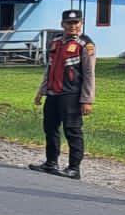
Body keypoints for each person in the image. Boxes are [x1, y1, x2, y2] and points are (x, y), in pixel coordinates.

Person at [28, 9, 96, 179]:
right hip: (53, 93)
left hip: (71, 94)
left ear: (81, 24)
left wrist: (87, 100)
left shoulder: (85, 45)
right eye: (69, 23)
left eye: (76, 23)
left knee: (72, 130)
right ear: (62, 24)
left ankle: (74, 168)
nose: (72, 26)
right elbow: (49, 69)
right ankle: (51, 163)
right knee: (50, 128)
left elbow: (89, 74)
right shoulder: (56, 41)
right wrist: (41, 91)